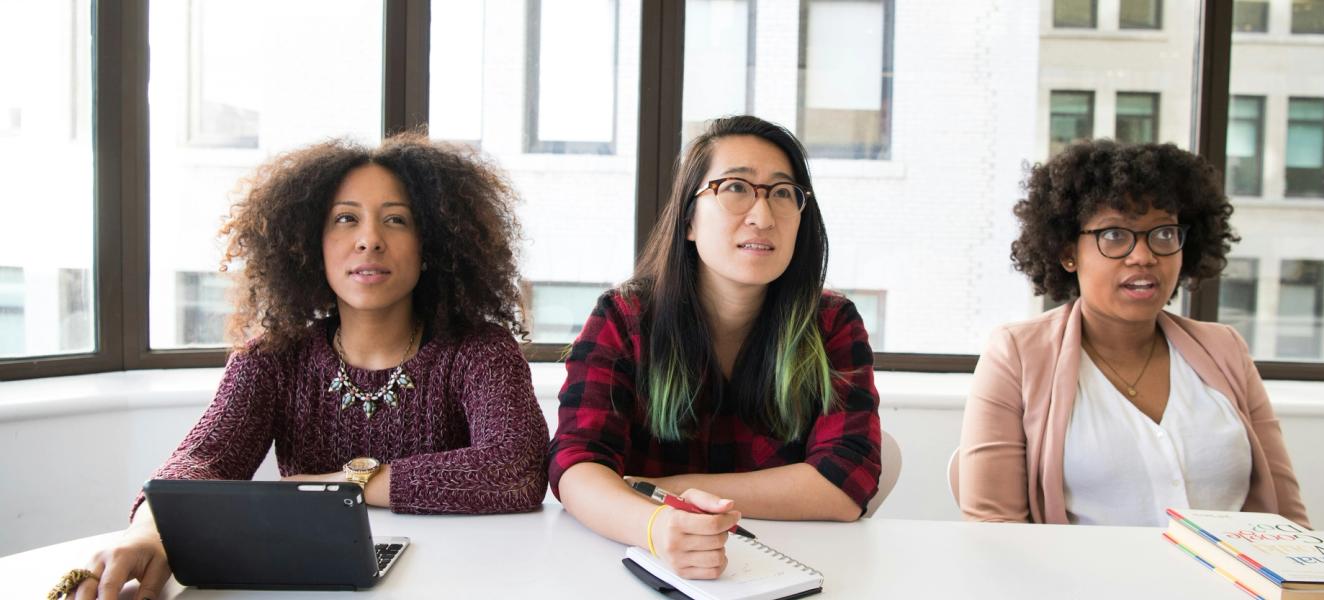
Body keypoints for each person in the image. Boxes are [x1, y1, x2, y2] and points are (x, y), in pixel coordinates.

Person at [65, 133, 549, 600]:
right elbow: (205, 459)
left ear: (431, 247)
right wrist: (150, 533)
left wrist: (341, 484)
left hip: (461, 582)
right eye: (344, 219)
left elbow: (518, 468)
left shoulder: (480, 351)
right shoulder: (272, 360)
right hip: (313, 584)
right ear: (310, 244)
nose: (369, 240)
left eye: (397, 220)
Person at [548, 116, 881, 580]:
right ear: (688, 219)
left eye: (783, 193)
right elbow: (576, 466)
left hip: (788, 574)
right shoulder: (624, 318)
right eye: (735, 188)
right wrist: (656, 526)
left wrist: (669, 490)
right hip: (637, 570)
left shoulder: (830, 323)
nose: (762, 216)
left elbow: (845, 484)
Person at [957, 140, 1308, 527]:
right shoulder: (1016, 355)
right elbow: (994, 530)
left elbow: (1288, 522)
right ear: (1067, 251)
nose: (1144, 256)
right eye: (1114, 235)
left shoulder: (1225, 349)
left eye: (1163, 233)